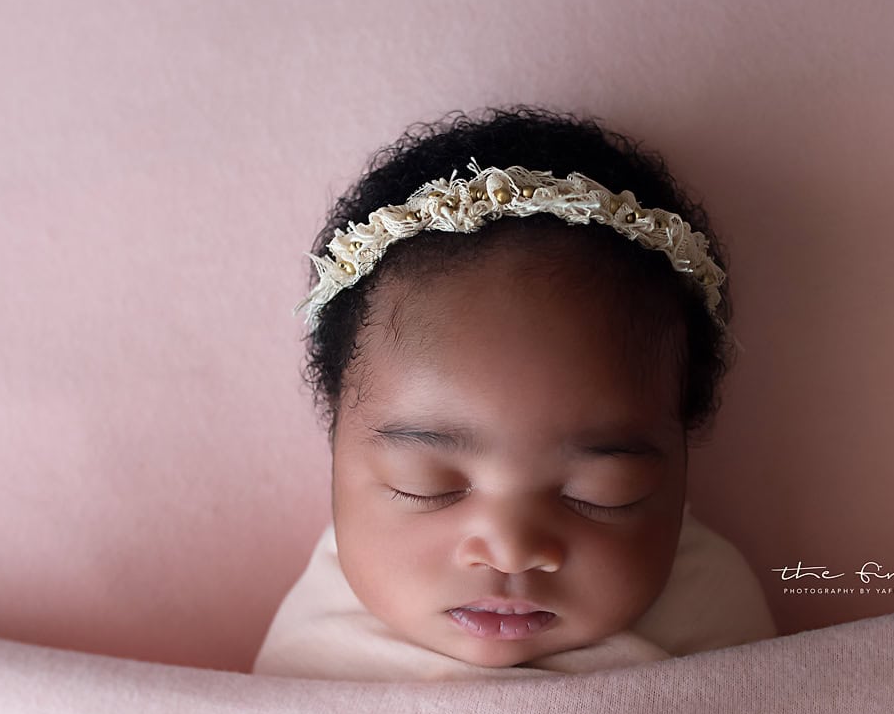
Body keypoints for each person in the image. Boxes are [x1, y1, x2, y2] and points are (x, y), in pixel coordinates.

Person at [251, 104, 777, 680]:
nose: (509, 549)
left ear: (680, 470)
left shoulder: (714, 616)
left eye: (604, 494)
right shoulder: (313, 652)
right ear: (336, 450)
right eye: (424, 486)